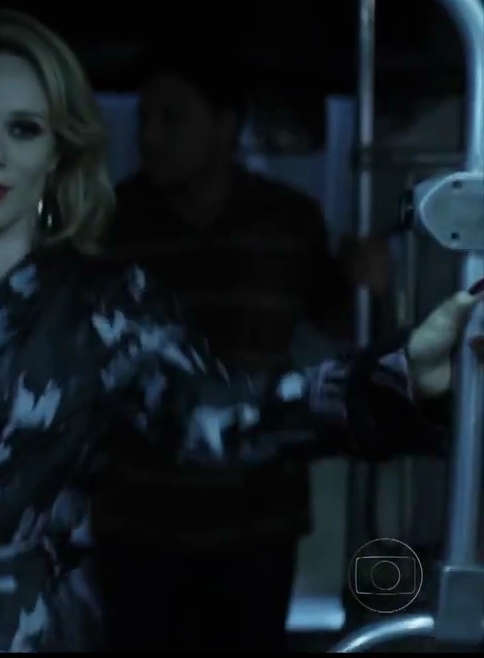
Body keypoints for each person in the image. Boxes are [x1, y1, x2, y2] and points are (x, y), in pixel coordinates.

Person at [0, 9, 479, 652]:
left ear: (56, 154)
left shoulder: (97, 303)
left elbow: (229, 419)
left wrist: (401, 375)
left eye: (23, 129)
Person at [95, 44, 392, 652]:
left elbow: (341, 334)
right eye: (144, 119)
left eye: (172, 117)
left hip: (257, 519)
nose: (150, 136)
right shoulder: (113, 224)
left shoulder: (288, 222)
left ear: (225, 125)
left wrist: (372, 288)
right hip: (137, 520)